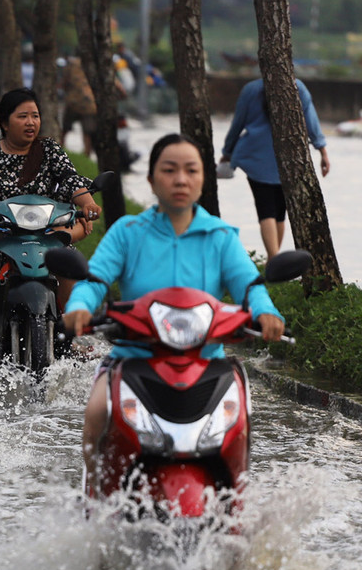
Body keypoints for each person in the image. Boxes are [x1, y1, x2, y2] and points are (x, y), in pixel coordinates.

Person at [61, 134, 286, 486]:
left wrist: (266, 313)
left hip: (206, 362)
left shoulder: (221, 236)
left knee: (239, 420)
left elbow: (250, 286)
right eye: (169, 170)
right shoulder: (128, 232)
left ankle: (236, 499)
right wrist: (79, 306)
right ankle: (94, 493)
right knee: (96, 412)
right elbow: (94, 280)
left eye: (191, 170)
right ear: (151, 180)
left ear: (202, 180)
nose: (180, 179)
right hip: (133, 357)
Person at [0, 88, 101, 362]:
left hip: (45, 235)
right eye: (23, 116)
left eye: (35, 116)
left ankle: (72, 337)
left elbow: (71, 180)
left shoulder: (50, 150)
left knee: (70, 261)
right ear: (4, 122)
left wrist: (87, 203)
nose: (31, 122)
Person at [219, 77, 330, 260]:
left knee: (266, 209)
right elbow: (312, 122)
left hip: (255, 157)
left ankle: (273, 258)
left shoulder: (250, 89)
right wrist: (323, 152)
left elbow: (237, 123)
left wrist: (227, 151)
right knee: (280, 212)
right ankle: (274, 259)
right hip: (288, 158)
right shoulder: (298, 87)